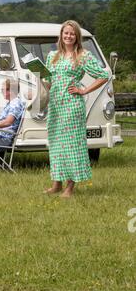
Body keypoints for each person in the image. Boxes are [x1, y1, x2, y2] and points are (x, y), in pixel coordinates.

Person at [44, 20, 109, 198]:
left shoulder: (83, 55)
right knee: (56, 143)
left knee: (72, 145)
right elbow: (48, 82)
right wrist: (40, 79)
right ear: (61, 35)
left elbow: (103, 75)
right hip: (56, 104)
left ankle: (70, 187)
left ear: (77, 36)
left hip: (72, 105)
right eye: (66, 33)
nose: (68, 36)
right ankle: (56, 183)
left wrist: (84, 90)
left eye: (72, 33)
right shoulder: (52, 56)